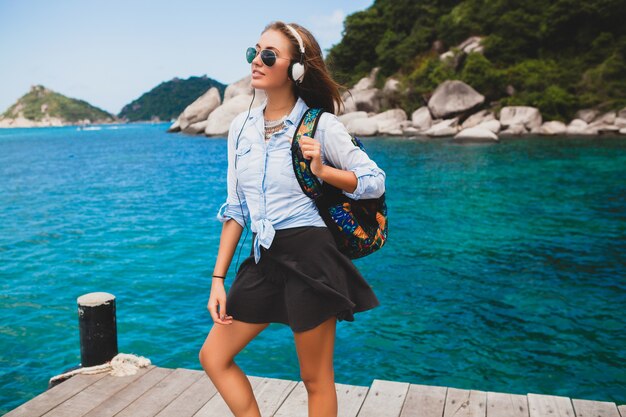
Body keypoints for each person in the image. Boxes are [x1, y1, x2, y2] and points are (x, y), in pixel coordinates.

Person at [199, 20, 386, 417]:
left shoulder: (321, 125)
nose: (257, 61)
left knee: (315, 379)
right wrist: (218, 279)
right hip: (265, 257)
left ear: (296, 69)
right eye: (255, 52)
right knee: (214, 356)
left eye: (270, 55)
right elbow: (235, 207)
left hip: (311, 257)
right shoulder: (241, 128)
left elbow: (374, 181)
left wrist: (325, 172)